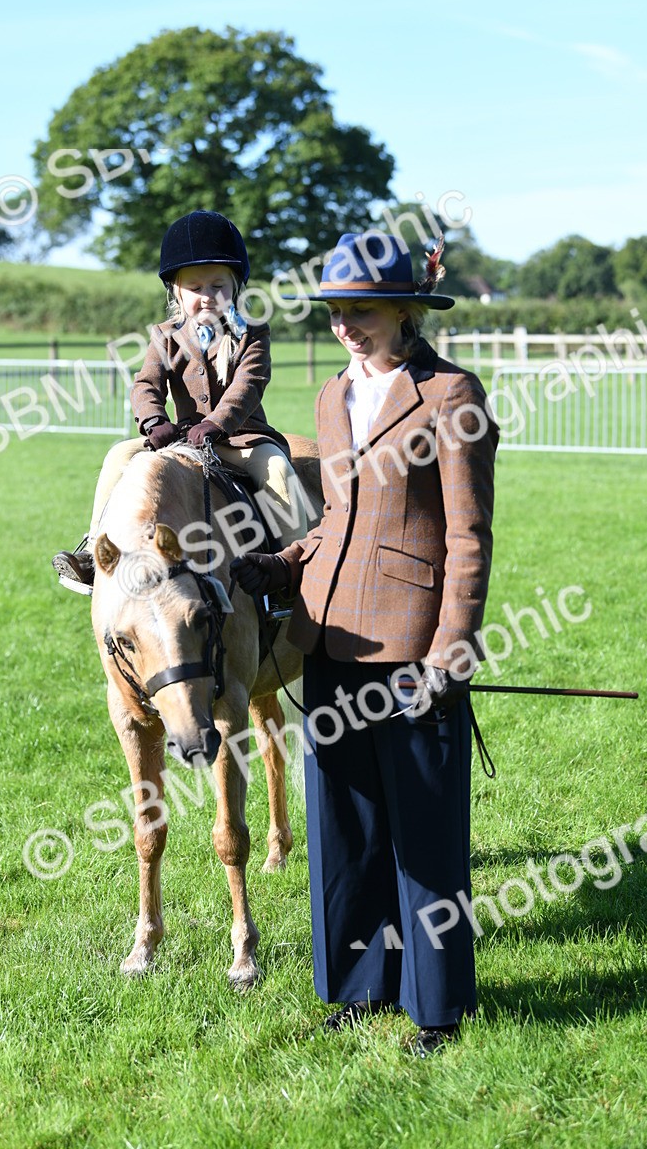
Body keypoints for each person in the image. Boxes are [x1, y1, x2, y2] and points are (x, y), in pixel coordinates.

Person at [231, 231, 498, 1056]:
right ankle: (356, 987)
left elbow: (469, 536)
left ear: (409, 310)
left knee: (424, 839)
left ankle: (436, 1007)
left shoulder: (452, 395)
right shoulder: (328, 396)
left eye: (365, 310)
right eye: (337, 311)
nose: (347, 325)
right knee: (344, 831)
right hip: (328, 638)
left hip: (416, 652)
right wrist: (281, 564)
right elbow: (338, 521)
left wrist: (453, 648)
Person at [52, 209, 308, 594]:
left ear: (235, 287)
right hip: (180, 438)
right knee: (118, 455)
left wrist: (218, 423)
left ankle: (291, 571)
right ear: (177, 291)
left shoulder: (252, 333)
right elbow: (145, 384)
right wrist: (154, 422)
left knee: (277, 471)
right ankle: (93, 551)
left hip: (241, 441)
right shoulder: (164, 336)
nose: (208, 296)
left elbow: (249, 384)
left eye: (218, 286)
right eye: (196, 288)